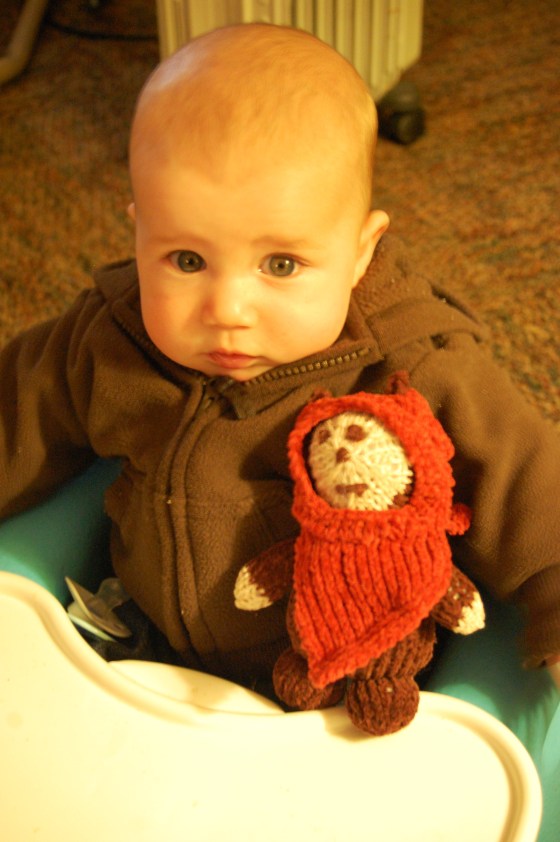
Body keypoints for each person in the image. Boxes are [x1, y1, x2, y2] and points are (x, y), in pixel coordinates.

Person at [0, 24, 559, 694]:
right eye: (187, 260)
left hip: (350, 694)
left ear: (360, 253)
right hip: (155, 667)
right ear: (139, 228)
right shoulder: (108, 339)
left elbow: (531, 489)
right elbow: (15, 412)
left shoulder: (413, 361)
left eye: (282, 264)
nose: (227, 308)